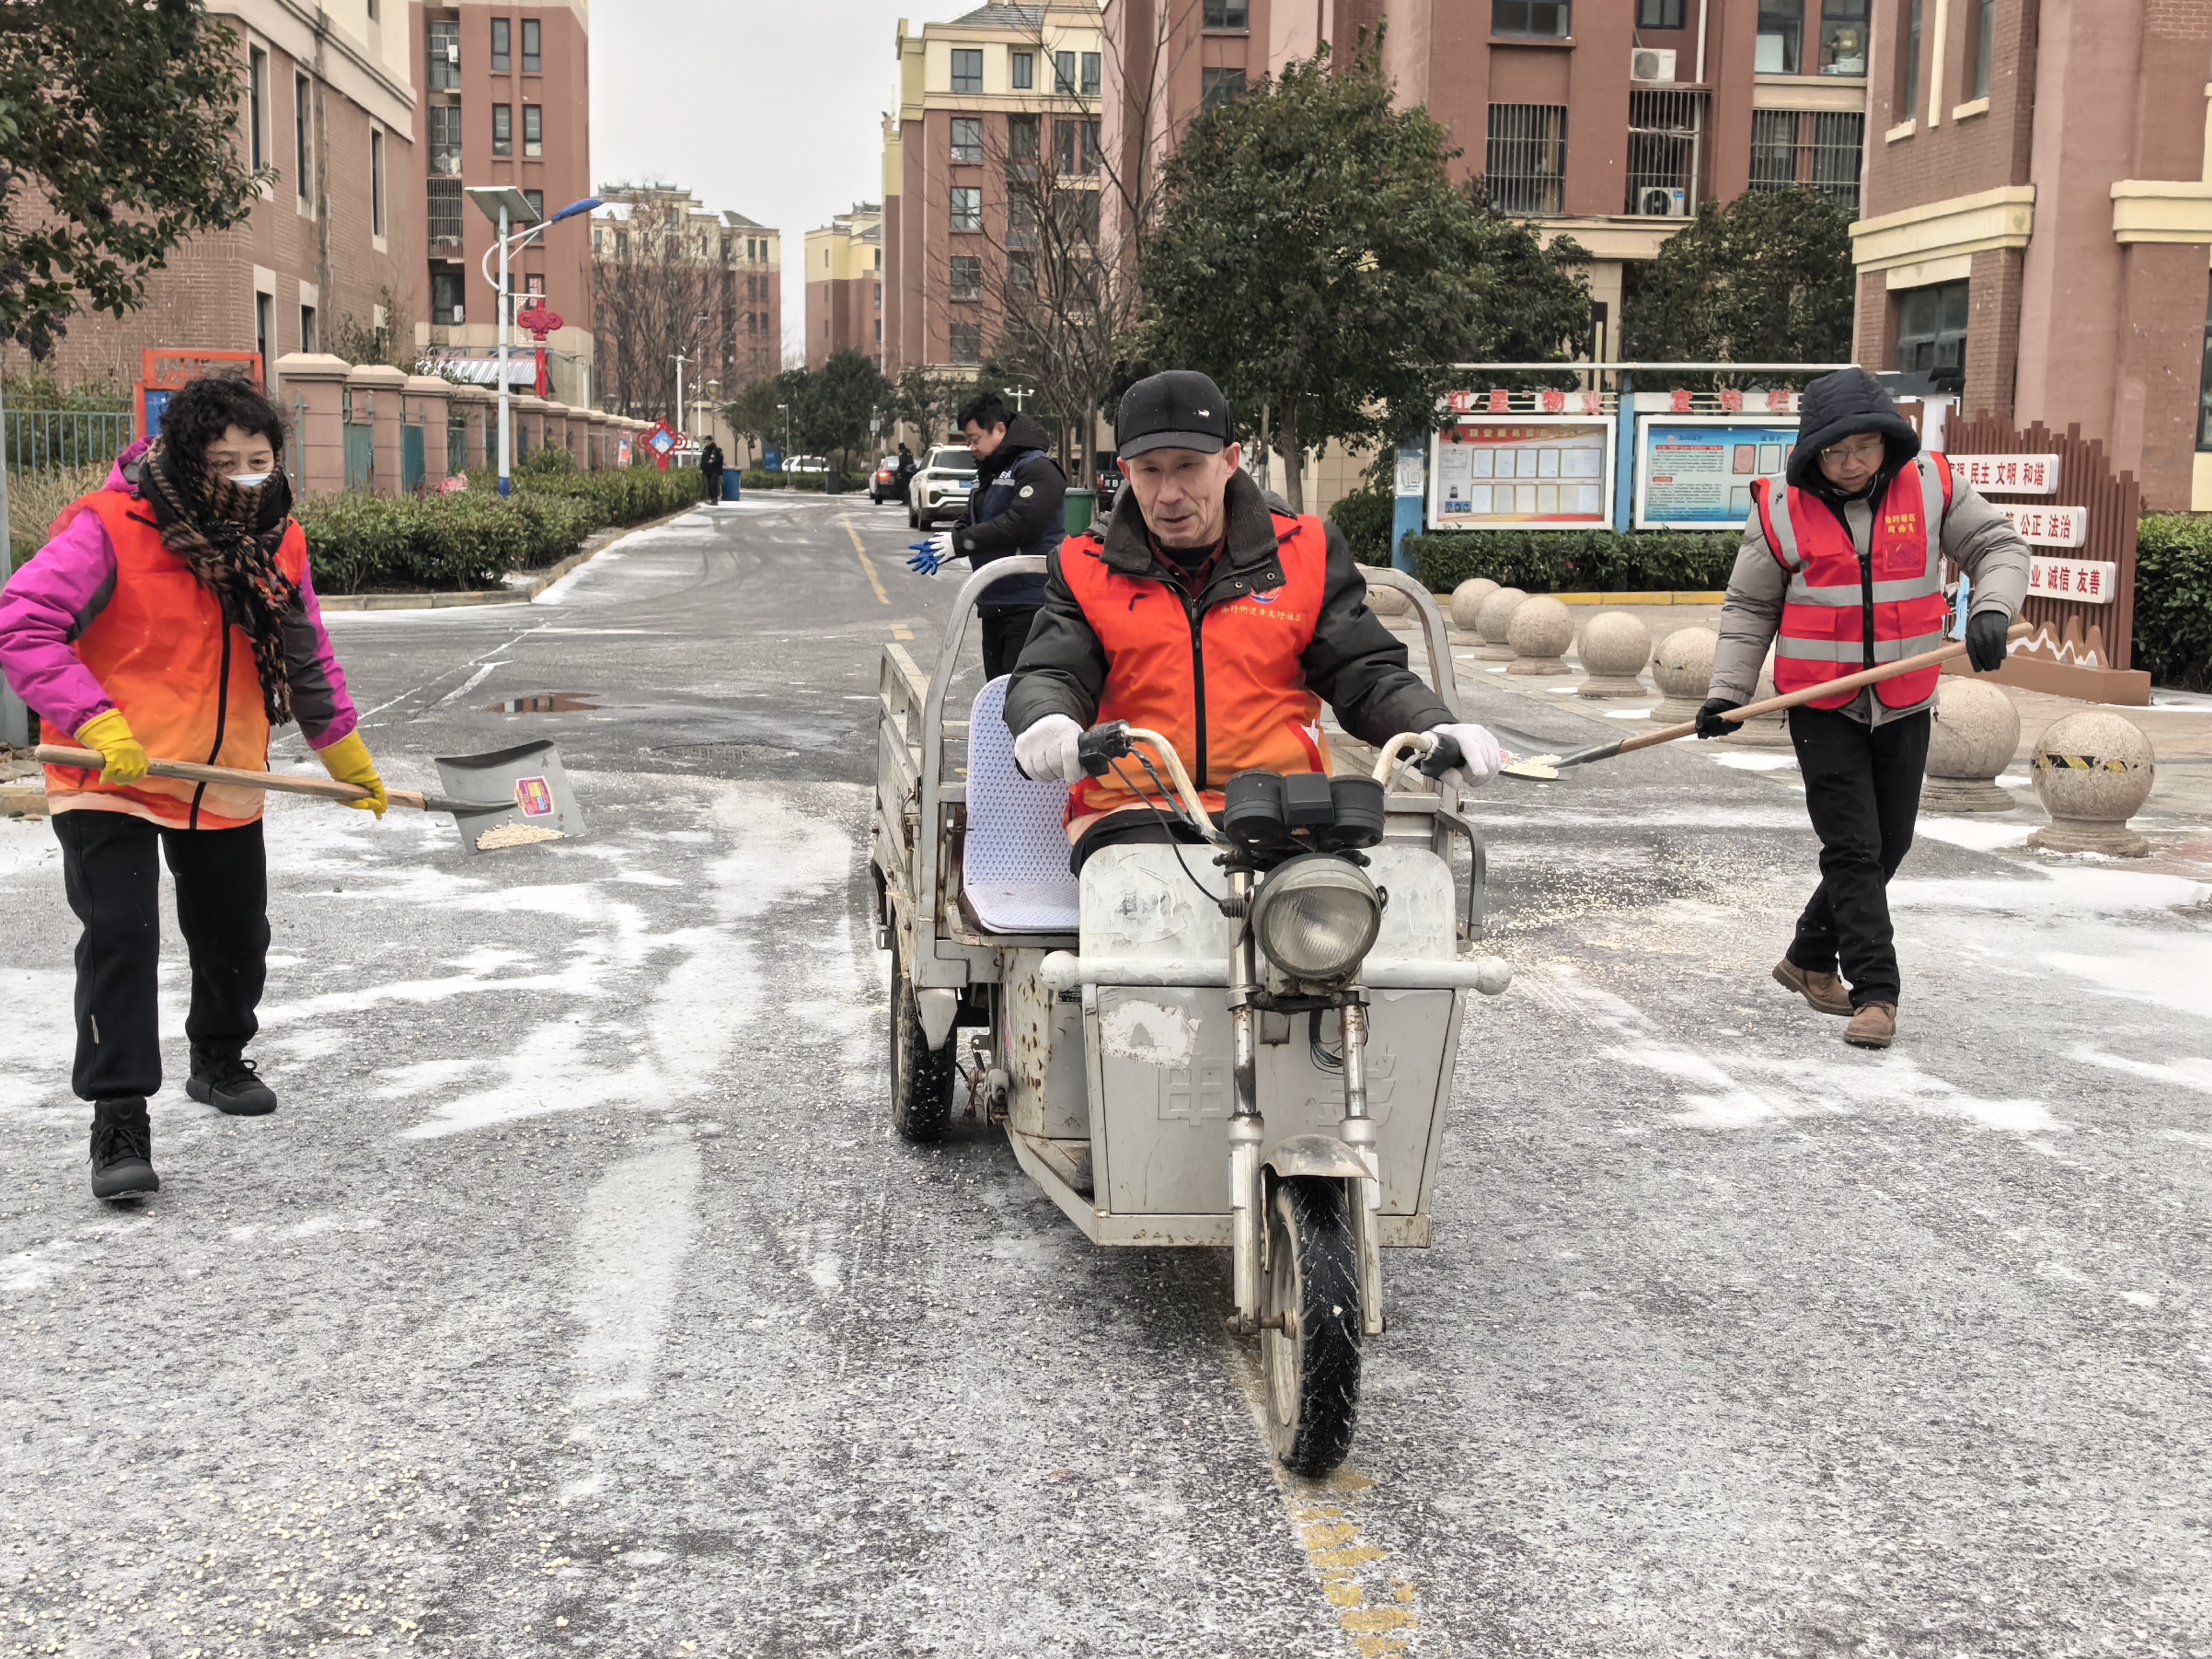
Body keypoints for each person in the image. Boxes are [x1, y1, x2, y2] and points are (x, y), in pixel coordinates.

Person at [0, 375, 387, 1202]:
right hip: (114, 771)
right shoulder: (108, 526)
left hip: (222, 771)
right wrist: (96, 721)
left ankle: (217, 1058)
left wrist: (342, 751)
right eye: (224, 462)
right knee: (122, 936)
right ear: (183, 458)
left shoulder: (278, 537)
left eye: (259, 460)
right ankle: (119, 1118)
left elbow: (305, 649)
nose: (245, 476)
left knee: (234, 937)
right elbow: (25, 622)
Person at [1002, 369, 1501, 870]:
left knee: (1334, 920)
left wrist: (1435, 726)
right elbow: (1054, 668)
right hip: (1135, 808)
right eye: (1150, 470)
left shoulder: (1304, 552)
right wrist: (1048, 718)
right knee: (1136, 908)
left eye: (1189, 467)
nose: (1169, 493)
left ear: (1229, 462)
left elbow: (1365, 673)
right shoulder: (1085, 565)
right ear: (1127, 473)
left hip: (1283, 805)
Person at [1700, 366, 2028, 1050]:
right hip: (1821, 703)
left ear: (1887, 441)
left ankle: (1809, 959)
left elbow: (1997, 546)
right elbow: (1751, 606)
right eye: (1833, 452)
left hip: (1906, 697)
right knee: (1852, 848)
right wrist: (1727, 693)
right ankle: (1875, 994)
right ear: (1811, 451)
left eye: (1863, 449)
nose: (1849, 464)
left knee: (1891, 843)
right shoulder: (1781, 507)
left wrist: (1992, 608)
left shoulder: (1933, 484)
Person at [906, 394, 1066, 679]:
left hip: (1030, 602)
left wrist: (960, 544)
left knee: (1019, 693)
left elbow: (1021, 524)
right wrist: (953, 537)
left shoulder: (1037, 469)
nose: (971, 447)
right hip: (994, 599)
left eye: (976, 439)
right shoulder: (988, 473)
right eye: (968, 440)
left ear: (1000, 430)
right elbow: (975, 517)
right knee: (995, 691)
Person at [698, 436, 725, 504]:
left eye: (708, 442)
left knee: (713, 484)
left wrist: (714, 461)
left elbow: (720, 459)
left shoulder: (716, 450)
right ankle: (712, 498)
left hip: (715, 470)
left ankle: (715, 498)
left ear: (711, 441)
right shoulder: (706, 450)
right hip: (708, 470)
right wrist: (701, 469)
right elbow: (703, 460)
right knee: (710, 485)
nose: (707, 443)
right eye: (706, 442)